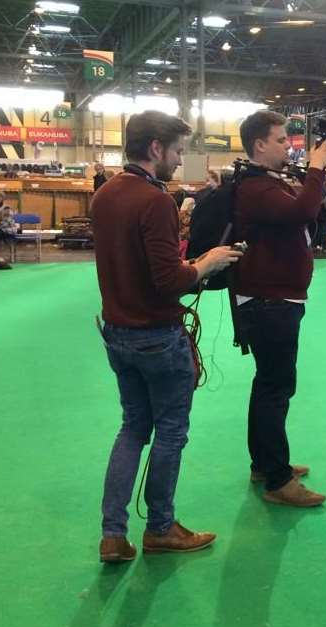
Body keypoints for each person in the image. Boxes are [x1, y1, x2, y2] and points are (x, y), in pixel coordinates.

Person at [92, 110, 243, 563]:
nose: (180, 161)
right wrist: (207, 262)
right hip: (157, 335)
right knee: (171, 432)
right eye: (177, 150)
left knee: (133, 428)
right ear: (156, 148)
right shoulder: (155, 201)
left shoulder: (105, 195)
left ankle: (113, 534)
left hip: (117, 332)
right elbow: (168, 280)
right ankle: (160, 527)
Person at [231, 110, 326, 507]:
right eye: (280, 139)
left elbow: (306, 215)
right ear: (259, 145)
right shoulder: (256, 187)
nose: (287, 144)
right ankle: (278, 479)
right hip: (270, 301)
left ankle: (265, 463)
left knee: (267, 384)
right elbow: (301, 212)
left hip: (272, 298)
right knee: (276, 387)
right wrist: (316, 170)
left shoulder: (265, 184)